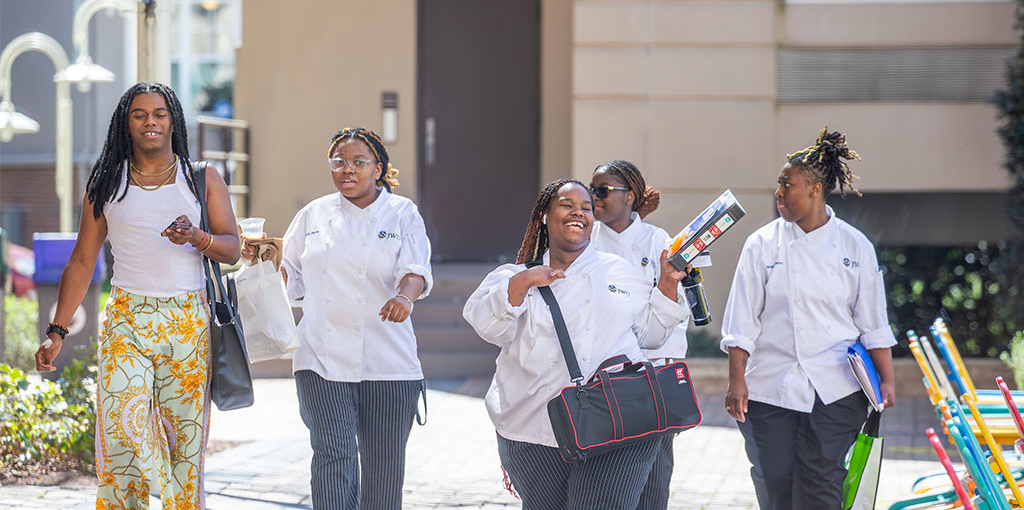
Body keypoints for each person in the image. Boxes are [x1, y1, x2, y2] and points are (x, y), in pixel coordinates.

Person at [35, 82, 240, 509]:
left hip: (188, 321)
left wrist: (197, 237)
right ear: (125, 123)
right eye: (140, 114)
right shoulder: (107, 180)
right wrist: (57, 330)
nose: (150, 122)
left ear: (173, 121)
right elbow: (81, 261)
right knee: (122, 432)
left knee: (184, 443)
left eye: (160, 114)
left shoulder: (201, 177)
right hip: (127, 317)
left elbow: (232, 247)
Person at [463, 179, 688, 510]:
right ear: (544, 215)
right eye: (567, 205)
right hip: (534, 428)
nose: (578, 213)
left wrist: (668, 281)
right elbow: (486, 325)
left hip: (616, 421)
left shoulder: (617, 271)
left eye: (586, 208)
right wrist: (523, 283)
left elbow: (651, 335)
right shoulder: (513, 275)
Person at [243, 127, 431, 510]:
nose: (348, 170)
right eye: (339, 162)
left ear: (378, 168)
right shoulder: (313, 214)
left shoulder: (401, 213)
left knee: (383, 469)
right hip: (320, 356)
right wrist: (261, 259)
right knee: (333, 455)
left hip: (388, 363)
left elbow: (415, 270)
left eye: (359, 162)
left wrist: (404, 297)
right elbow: (290, 277)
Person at [720, 128, 897, 510]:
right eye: (779, 185)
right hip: (770, 388)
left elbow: (872, 322)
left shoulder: (854, 246)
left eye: (788, 184)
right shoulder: (762, 244)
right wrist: (737, 381)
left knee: (822, 483)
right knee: (774, 483)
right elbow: (741, 321)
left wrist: (886, 380)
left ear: (815, 189)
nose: (778, 193)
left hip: (837, 388)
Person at [588, 160, 689, 510]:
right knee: (605, 480)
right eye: (592, 190)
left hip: (652, 377)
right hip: (602, 378)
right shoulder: (585, 241)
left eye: (603, 191)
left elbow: (676, 313)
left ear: (630, 196)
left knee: (654, 481)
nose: (594, 198)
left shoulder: (658, 240)